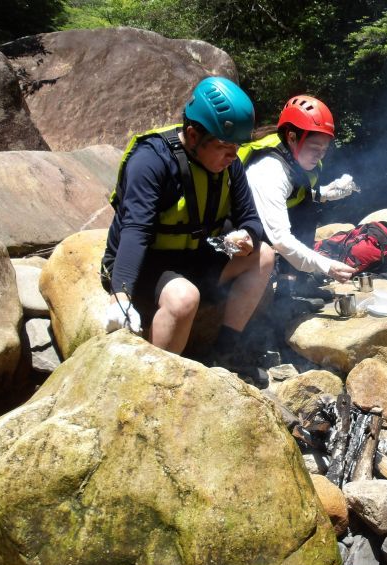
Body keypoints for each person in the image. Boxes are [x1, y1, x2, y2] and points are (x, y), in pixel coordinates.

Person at [100, 76, 274, 384]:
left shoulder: (228, 164)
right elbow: (135, 232)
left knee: (263, 256)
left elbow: (251, 217)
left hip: (195, 256)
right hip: (147, 263)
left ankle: (224, 353)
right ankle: (154, 383)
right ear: (193, 136)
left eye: (236, 147)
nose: (233, 157)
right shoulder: (151, 161)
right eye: (223, 147)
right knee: (183, 299)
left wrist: (248, 235)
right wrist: (120, 295)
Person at [240, 95, 359, 302]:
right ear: (292, 137)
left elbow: (295, 194)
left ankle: (295, 284)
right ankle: (280, 292)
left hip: (269, 216)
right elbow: (280, 238)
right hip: (242, 230)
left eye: (324, 149)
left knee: (308, 205)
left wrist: (325, 193)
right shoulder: (269, 169)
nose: (319, 156)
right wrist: (327, 266)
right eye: (315, 148)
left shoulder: (295, 157)